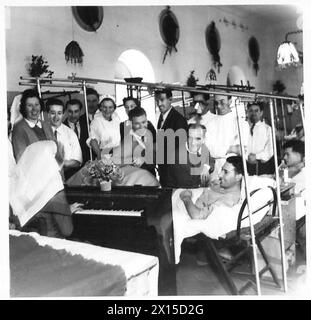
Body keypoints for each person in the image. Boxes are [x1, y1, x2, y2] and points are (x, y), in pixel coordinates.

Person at [9, 140, 82, 238]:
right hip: (52, 247)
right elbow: (67, 230)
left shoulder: (20, 188)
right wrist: (67, 211)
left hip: (29, 246)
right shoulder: (54, 187)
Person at [179, 156, 244, 219]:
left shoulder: (226, 202)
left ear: (238, 177)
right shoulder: (227, 186)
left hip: (187, 206)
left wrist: (186, 198)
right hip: (191, 197)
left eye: (226, 172)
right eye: (222, 170)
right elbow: (213, 184)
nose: (220, 174)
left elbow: (197, 216)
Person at [204, 94, 249, 183]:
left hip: (234, 171)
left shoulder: (241, 123)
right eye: (216, 103)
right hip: (216, 173)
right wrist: (230, 148)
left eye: (222, 102)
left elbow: (241, 150)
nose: (219, 106)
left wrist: (223, 150)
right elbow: (211, 151)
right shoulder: (210, 124)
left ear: (230, 101)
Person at [155, 88, 188, 186]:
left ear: (170, 99)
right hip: (164, 170)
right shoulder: (162, 118)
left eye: (162, 100)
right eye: (157, 101)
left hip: (174, 172)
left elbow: (180, 148)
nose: (159, 104)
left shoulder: (179, 120)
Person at [11, 89, 55, 163]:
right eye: (30, 105)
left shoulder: (46, 125)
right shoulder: (19, 129)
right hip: (34, 173)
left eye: (36, 105)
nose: (34, 109)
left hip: (53, 171)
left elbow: (56, 151)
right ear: (24, 108)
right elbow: (21, 160)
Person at [165, 123, 214, 188]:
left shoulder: (204, 148)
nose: (193, 142)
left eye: (198, 138)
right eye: (190, 138)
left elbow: (211, 161)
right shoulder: (178, 156)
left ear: (203, 139)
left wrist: (206, 167)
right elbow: (186, 185)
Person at [47, 98, 82, 180]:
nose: (56, 117)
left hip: (67, 177)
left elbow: (78, 161)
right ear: (48, 114)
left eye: (59, 113)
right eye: (52, 113)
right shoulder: (42, 131)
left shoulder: (70, 133)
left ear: (63, 114)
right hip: (46, 178)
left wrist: (61, 164)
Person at [246, 102, 274, 175]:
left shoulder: (267, 128)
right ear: (247, 112)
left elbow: (270, 149)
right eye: (251, 111)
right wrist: (247, 157)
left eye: (256, 111)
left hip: (261, 165)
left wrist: (256, 156)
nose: (253, 113)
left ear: (261, 113)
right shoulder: (243, 128)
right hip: (245, 163)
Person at [63, 99, 91, 165]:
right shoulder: (62, 128)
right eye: (70, 111)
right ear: (66, 111)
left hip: (87, 165)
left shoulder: (87, 125)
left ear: (81, 111)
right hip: (71, 168)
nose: (73, 115)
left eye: (76, 111)